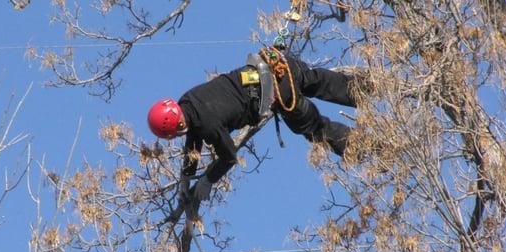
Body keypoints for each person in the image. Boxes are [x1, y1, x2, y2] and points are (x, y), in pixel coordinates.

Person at [147, 49, 357, 203]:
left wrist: (208, 180)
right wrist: (186, 177)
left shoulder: (207, 124)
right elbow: (193, 138)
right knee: (315, 80)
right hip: (277, 65)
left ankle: (362, 146)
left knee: (315, 129)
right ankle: (370, 87)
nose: (176, 137)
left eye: (172, 134)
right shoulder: (187, 101)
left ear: (176, 125)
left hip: (279, 91)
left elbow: (229, 155)